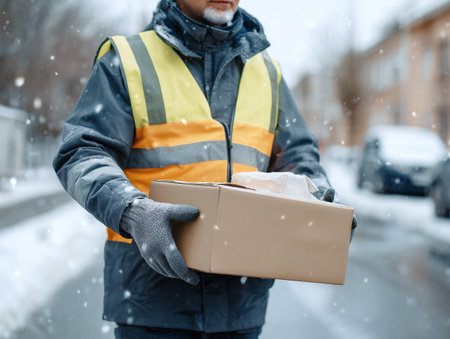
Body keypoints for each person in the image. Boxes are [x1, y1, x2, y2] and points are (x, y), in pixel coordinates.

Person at [53, 0, 357, 338]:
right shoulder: (127, 61)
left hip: (242, 305)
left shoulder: (267, 72)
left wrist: (318, 202)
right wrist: (134, 212)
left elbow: (298, 158)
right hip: (152, 305)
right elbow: (80, 153)